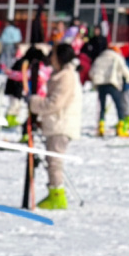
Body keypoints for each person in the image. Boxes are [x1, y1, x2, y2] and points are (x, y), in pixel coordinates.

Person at [29, 42, 82, 210]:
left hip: (61, 123)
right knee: (52, 159)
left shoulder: (66, 77)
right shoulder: (62, 75)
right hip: (56, 123)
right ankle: (54, 191)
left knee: (55, 161)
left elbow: (55, 103)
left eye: (53, 55)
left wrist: (34, 103)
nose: (51, 58)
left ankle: (57, 196)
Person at [89, 42, 129, 137]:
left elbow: (92, 71)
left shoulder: (99, 58)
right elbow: (124, 69)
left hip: (101, 85)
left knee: (102, 107)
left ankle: (101, 127)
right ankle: (120, 127)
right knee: (119, 106)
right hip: (112, 83)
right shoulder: (116, 57)